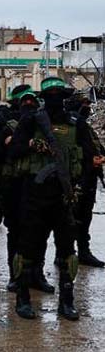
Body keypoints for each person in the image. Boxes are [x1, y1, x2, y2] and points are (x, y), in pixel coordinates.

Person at [8, 77, 95, 321]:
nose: (56, 99)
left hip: (63, 196)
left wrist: (76, 186)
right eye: (51, 94)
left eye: (59, 94)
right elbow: (13, 153)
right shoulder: (31, 120)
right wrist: (32, 145)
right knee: (27, 248)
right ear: (44, 98)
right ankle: (23, 297)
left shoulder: (77, 123)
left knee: (68, 250)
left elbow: (88, 159)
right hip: (34, 194)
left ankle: (67, 301)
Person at [0, 85, 31, 277]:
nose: (28, 104)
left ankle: (19, 269)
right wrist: (5, 139)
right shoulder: (1, 117)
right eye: (24, 100)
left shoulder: (35, 119)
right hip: (1, 175)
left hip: (24, 177)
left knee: (20, 224)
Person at [66, 94, 105, 268]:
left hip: (88, 177)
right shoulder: (71, 126)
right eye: (85, 104)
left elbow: (95, 146)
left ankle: (83, 251)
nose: (88, 108)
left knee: (84, 216)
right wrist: (91, 160)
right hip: (77, 178)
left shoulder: (84, 125)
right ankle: (66, 253)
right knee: (71, 217)